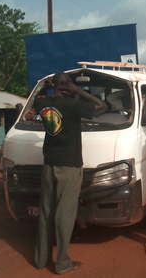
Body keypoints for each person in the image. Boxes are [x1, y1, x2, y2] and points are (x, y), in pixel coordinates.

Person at [33, 72, 107, 274]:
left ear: (53, 86)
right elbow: (102, 107)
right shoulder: (72, 105)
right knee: (65, 213)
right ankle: (62, 263)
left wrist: (45, 86)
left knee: (46, 211)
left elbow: (35, 99)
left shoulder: (43, 103)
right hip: (70, 164)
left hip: (49, 164)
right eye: (70, 84)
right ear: (66, 85)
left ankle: (41, 259)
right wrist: (78, 91)